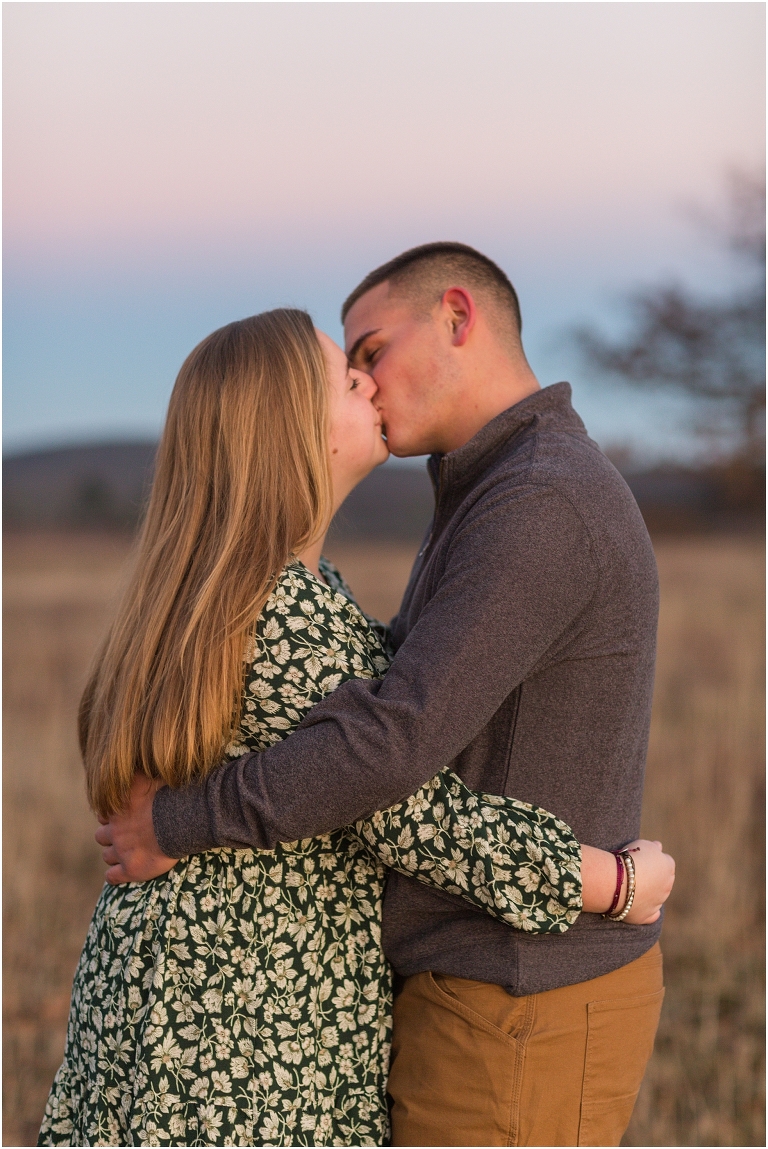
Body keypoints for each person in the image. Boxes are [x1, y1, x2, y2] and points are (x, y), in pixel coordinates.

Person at [39, 308, 672, 1148]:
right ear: (291, 432)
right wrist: (601, 881)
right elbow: (402, 804)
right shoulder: (292, 612)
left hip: (164, 990)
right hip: (250, 1024)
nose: (369, 383)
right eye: (348, 376)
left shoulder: (217, 596)